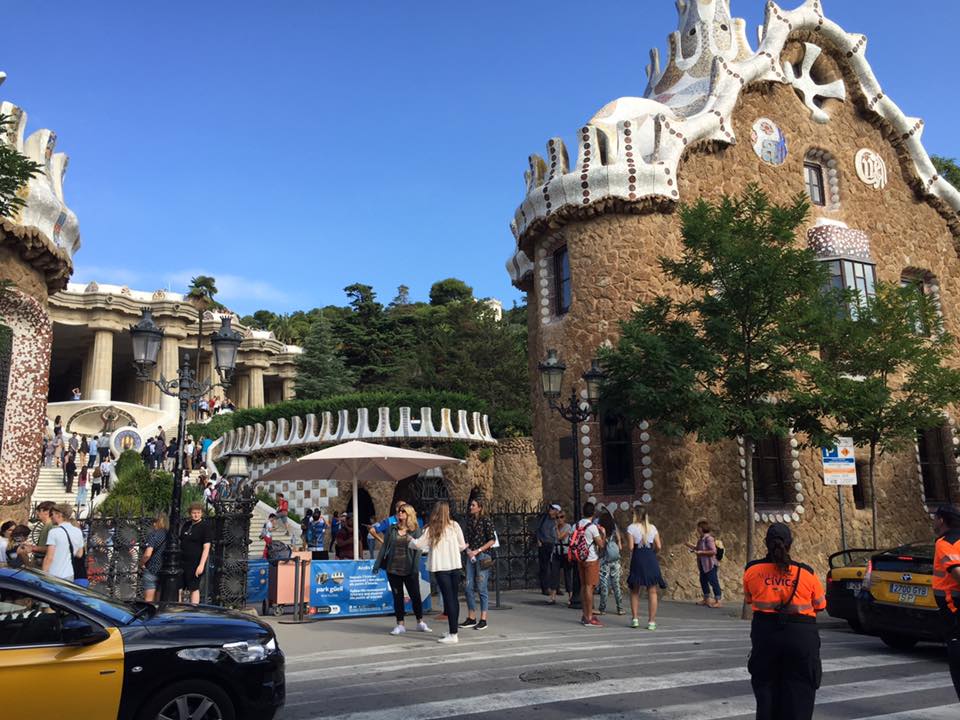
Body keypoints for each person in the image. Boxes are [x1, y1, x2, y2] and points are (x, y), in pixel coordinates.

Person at [743, 523, 826, 720]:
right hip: (800, 637)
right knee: (800, 691)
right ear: (790, 544)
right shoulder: (806, 573)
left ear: (766, 544)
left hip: (766, 635)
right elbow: (820, 605)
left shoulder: (752, 570)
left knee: (766, 690)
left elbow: (749, 599)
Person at [409, 502, 467, 644]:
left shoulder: (431, 529)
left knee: (449, 600)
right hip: (454, 566)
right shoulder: (455, 526)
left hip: (441, 567)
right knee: (453, 598)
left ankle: (453, 634)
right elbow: (462, 545)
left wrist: (409, 539)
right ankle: (453, 630)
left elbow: (418, 545)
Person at [373, 503, 431, 635]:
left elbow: (418, 550)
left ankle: (420, 622)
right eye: (399, 511)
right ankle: (400, 624)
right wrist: (377, 565)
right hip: (393, 569)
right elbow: (384, 547)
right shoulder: (392, 529)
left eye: (403, 511)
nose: (400, 513)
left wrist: (414, 567)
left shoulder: (415, 529)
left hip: (410, 569)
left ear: (409, 514)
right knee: (397, 597)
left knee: (415, 596)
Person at [932, 504, 960, 700]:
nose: (933, 521)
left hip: (954, 611)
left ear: (942, 520)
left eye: (935, 518)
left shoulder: (945, 543)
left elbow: (957, 573)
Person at [461, 497, 496, 631]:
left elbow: (492, 540)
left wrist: (478, 550)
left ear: (480, 507)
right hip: (471, 556)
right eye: (471, 505)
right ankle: (471, 617)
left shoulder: (486, 521)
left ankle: (483, 619)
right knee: (468, 586)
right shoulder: (470, 522)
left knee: (481, 587)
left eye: (473, 505)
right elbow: (467, 539)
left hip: (482, 556)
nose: (471, 507)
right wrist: (468, 549)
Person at [626, 507, 663, 630]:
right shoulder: (652, 527)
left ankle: (635, 618)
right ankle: (651, 621)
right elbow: (658, 545)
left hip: (638, 557)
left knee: (635, 590)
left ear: (635, 515)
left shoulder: (631, 528)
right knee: (652, 591)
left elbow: (631, 547)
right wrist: (653, 552)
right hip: (650, 557)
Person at [575, 501, 606, 627]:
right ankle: (589, 617)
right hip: (591, 559)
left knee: (583, 586)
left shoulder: (576, 525)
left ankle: (584, 614)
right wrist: (603, 534)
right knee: (589, 587)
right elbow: (601, 545)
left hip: (580, 558)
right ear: (593, 513)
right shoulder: (592, 527)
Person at [179, 502, 212, 603]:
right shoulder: (186, 525)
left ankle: (193, 610)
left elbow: (206, 547)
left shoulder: (205, 527)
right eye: (194, 513)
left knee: (193, 588)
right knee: (179, 587)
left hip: (195, 562)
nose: (196, 515)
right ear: (190, 513)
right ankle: (178, 608)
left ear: (201, 513)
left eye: (198, 512)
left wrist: (201, 565)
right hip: (182, 561)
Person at [42, 504, 84, 582]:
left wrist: (43, 575)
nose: (51, 517)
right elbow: (79, 554)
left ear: (59, 515)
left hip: (54, 574)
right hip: (69, 573)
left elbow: (49, 557)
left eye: (53, 514)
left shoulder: (54, 532)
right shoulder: (78, 531)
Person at [685, 519, 722, 607]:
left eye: (698, 527)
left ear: (701, 528)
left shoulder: (709, 539)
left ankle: (718, 601)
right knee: (703, 580)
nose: (697, 529)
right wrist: (687, 544)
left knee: (713, 581)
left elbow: (713, 551)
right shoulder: (701, 539)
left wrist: (701, 553)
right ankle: (706, 599)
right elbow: (697, 548)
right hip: (703, 564)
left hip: (710, 564)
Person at [596, 512, 624, 617]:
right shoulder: (614, 528)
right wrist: (619, 544)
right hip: (615, 560)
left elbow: (601, 546)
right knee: (616, 584)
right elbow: (619, 541)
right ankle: (620, 608)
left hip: (604, 560)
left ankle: (602, 608)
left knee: (604, 585)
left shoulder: (600, 529)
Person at [140, 512, 169, 602]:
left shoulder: (153, 535)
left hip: (152, 568)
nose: (153, 524)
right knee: (158, 601)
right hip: (163, 569)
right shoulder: (169, 535)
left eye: (155, 521)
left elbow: (148, 554)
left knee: (149, 600)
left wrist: (141, 563)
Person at [535, 503, 561, 603]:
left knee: (554, 567)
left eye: (553, 509)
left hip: (553, 543)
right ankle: (545, 587)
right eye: (550, 508)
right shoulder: (544, 518)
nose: (550, 510)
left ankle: (555, 587)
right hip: (544, 543)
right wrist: (538, 540)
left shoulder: (557, 520)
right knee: (544, 566)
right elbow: (537, 529)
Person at [557, 510, 574, 600]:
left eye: (561, 517)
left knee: (568, 574)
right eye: (558, 517)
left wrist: (556, 528)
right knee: (555, 573)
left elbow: (560, 537)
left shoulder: (568, 527)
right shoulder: (554, 527)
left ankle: (571, 596)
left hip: (566, 552)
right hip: (557, 552)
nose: (559, 519)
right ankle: (553, 594)